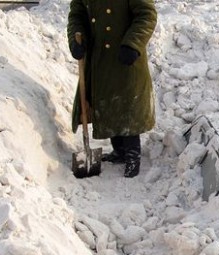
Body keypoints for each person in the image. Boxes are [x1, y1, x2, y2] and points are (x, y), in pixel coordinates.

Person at [67, 0, 157, 178]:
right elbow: (77, 14)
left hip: (126, 57)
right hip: (99, 57)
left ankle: (132, 155)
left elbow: (147, 15)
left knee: (128, 104)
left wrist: (133, 43)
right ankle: (119, 151)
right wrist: (77, 37)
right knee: (107, 101)